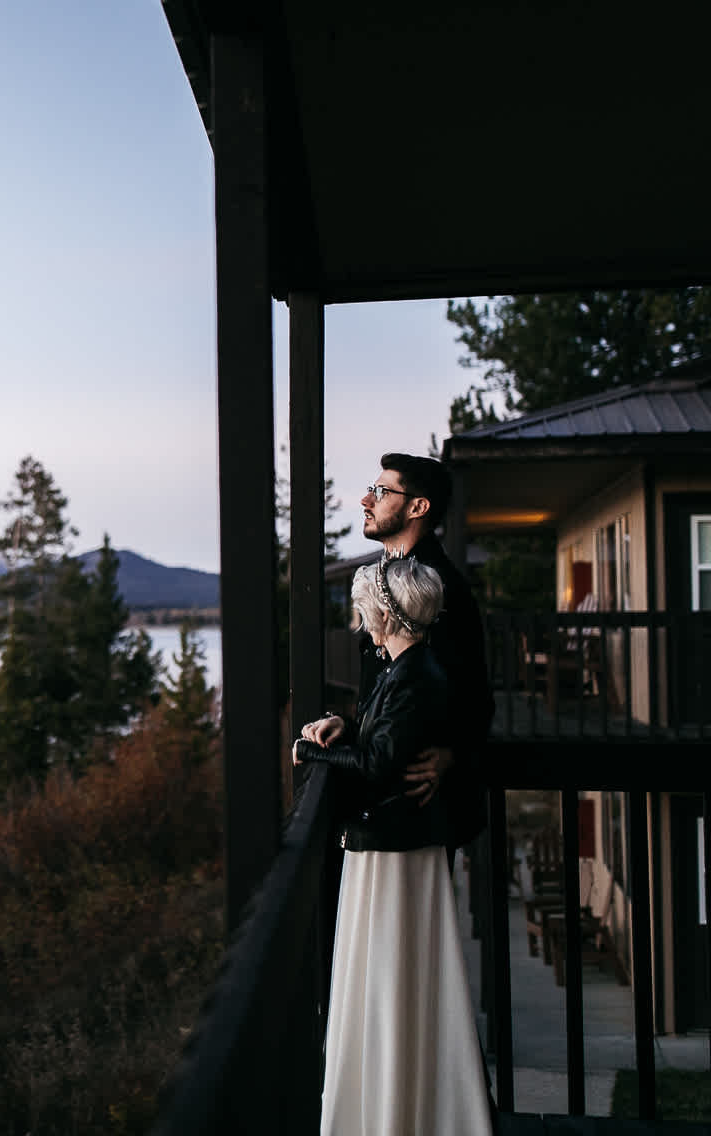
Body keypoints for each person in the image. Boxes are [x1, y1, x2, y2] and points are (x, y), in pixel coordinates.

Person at [293, 558, 493, 1136]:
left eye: (363, 608)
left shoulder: (413, 676)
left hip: (395, 851)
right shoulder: (402, 668)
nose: (359, 619)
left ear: (384, 611)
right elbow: (384, 737)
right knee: (392, 974)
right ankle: (391, 1100)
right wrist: (342, 727)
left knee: (390, 973)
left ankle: (392, 1109)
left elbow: (381, 766)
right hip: (396, 844)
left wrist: (312, 755)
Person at [305, 452, 492, 849]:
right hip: (382, 809)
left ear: (417, 507)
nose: (365, 500)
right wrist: (351, 726)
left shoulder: (440, 590)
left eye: (381, 491)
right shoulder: (386, 576)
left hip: (415, 814)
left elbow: (472, 692)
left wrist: (451, 754)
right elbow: (391, 696)